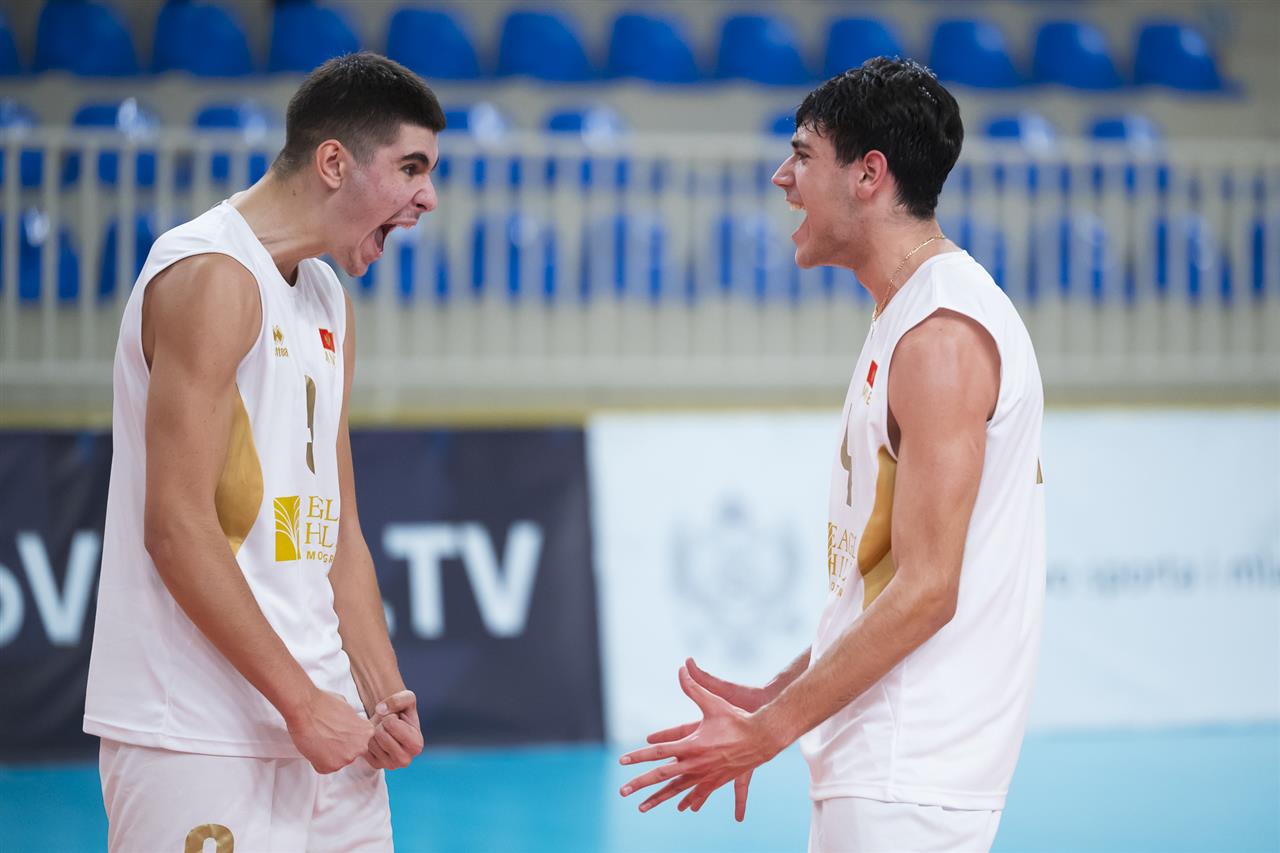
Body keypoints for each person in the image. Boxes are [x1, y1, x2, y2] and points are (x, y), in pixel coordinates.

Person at [619, 57, 1045, 853]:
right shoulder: (909, 312)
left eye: (802, 155)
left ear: (869, 175)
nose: (782, 177)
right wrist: (780, 690)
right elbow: (883, 579)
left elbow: (928, 589)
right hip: (887, 766)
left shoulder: (941, 335)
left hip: (909, 769)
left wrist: (767, 732)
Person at [83, 53, 445, 852]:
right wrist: (301, 703)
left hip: (326, 731)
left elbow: (337, 532)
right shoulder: (210, 274)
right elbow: (175, 526)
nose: (428, 196)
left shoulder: (327, 298)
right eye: (411, 167)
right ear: (333, 162)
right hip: (197, 732)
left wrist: (381, 694)